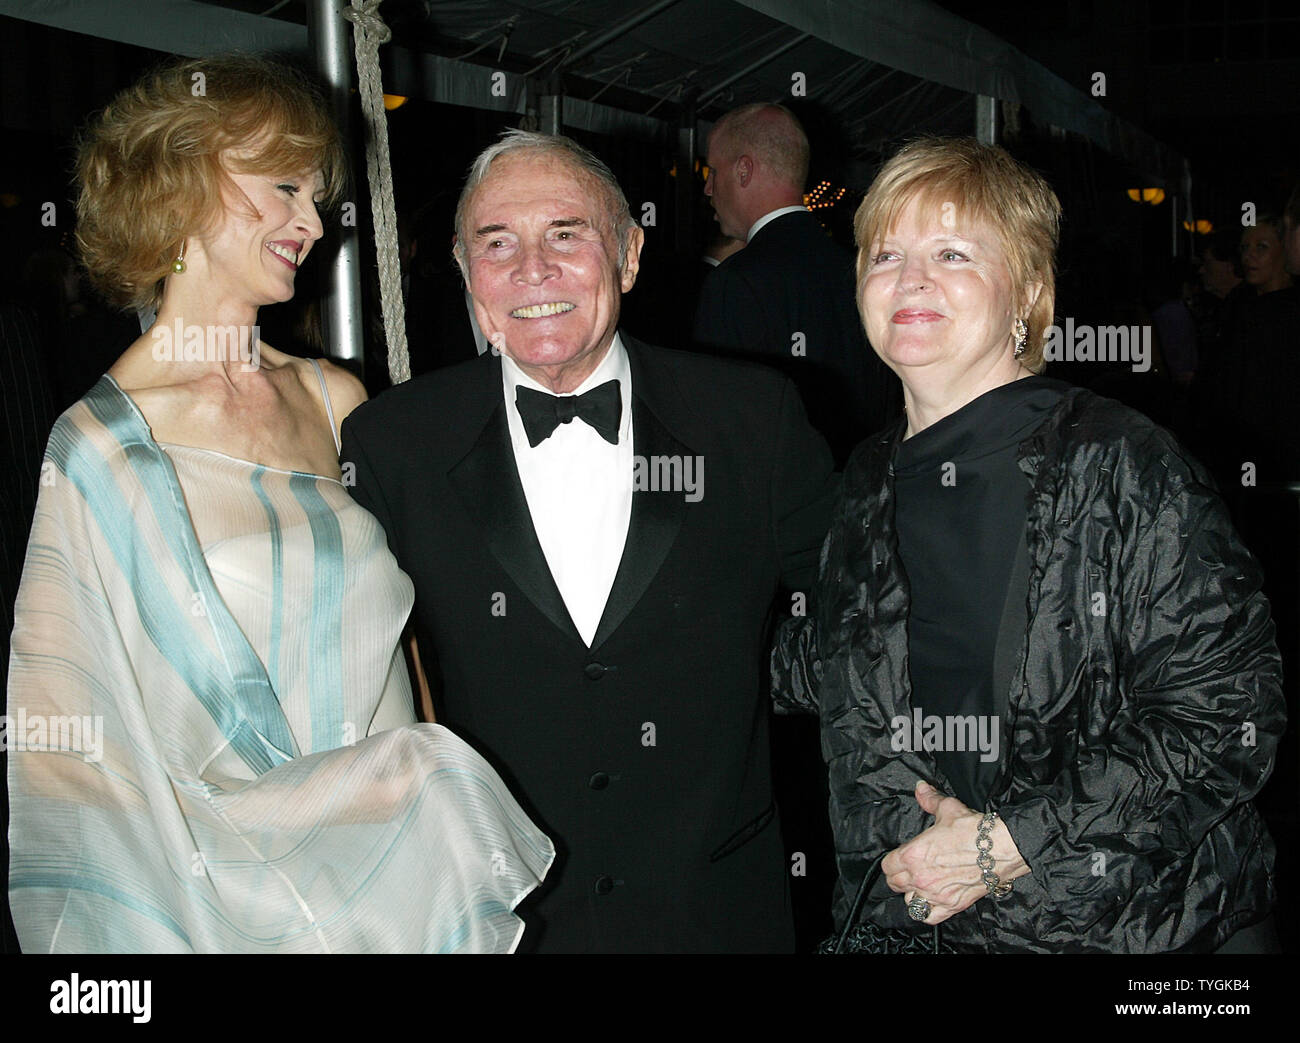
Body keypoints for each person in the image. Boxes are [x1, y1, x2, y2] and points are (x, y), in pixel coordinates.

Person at [7, 55, 551, 954]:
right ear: (180, 184)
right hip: (228, 908)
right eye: (285, 185)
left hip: (399, 879)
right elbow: (74, 754)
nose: (311, 219)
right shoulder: (101, 448)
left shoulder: (336, 402)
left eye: (316, 192)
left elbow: (418, 630)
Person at [772, 136, 1285, 952]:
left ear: (1029, 291)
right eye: (885, 253)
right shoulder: (870, 471)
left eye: (951, 252)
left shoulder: (1119, 461)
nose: (910, 278)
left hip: (1128, 932)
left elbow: (1227, 716)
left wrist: (1003, 846)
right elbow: (850, 658)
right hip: (914, 927)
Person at [341, 129, 838, 953]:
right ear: (467, 276)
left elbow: (855, 630)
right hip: (499, 922)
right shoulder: (392, 444)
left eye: (565, 234)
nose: (532, 269)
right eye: (497, 244)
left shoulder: (754, 421)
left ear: (630, 255)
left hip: (717, 912)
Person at [692, 103, 896, 465]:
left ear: (743, 170)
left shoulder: (735, 282)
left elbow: (723, 427)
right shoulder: (862, 272)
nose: (708, 188)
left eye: (713, 171)